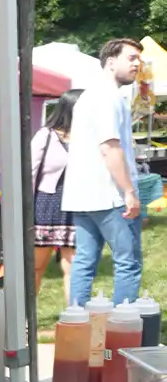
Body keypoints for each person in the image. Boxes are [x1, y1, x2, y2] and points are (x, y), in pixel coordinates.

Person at [61, 38, 143, 306]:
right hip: (109, 196)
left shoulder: (88, 96)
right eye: (131, 58)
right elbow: (109, 147)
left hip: (82, 195)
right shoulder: (107, 97)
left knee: (84, 261)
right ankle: (123, 330)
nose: (137, 64)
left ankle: (77, 325)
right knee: (128, 262)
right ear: (110, 62)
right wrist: (129, 191)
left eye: (138, 59)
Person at [30, 89, 82, 305]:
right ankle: (23, 322)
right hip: (46, 206)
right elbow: (30, 172)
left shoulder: (87, 138)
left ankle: (75, 319)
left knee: (74, 267)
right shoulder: (46, 135)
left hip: (76, 206)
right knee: (36, 266)